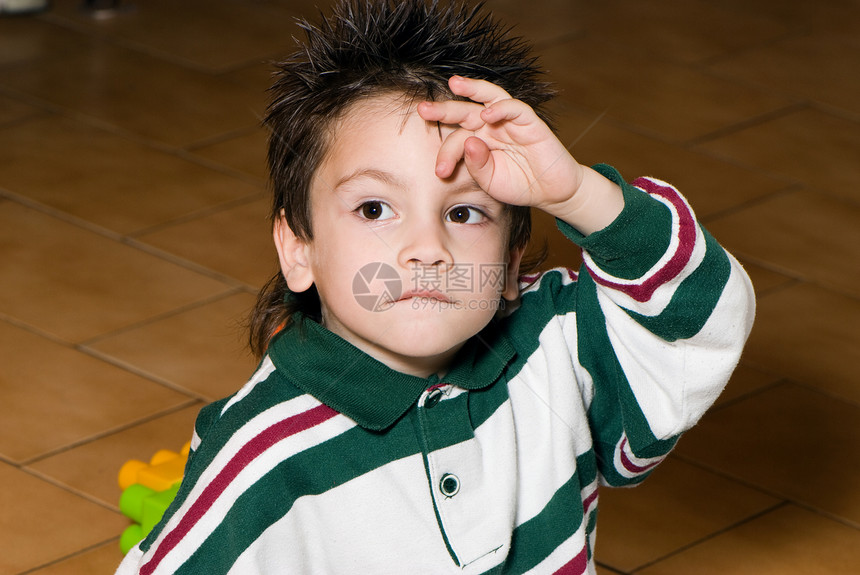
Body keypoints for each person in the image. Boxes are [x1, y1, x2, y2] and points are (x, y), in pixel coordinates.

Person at [116, 1, 755, 573]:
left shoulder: (559, 340)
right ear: (298, 249)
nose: (427, 249)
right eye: (374, 209)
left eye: (463, 213)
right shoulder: (262, 459)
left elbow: (702, 321)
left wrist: (581, 196)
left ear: (509, 265)